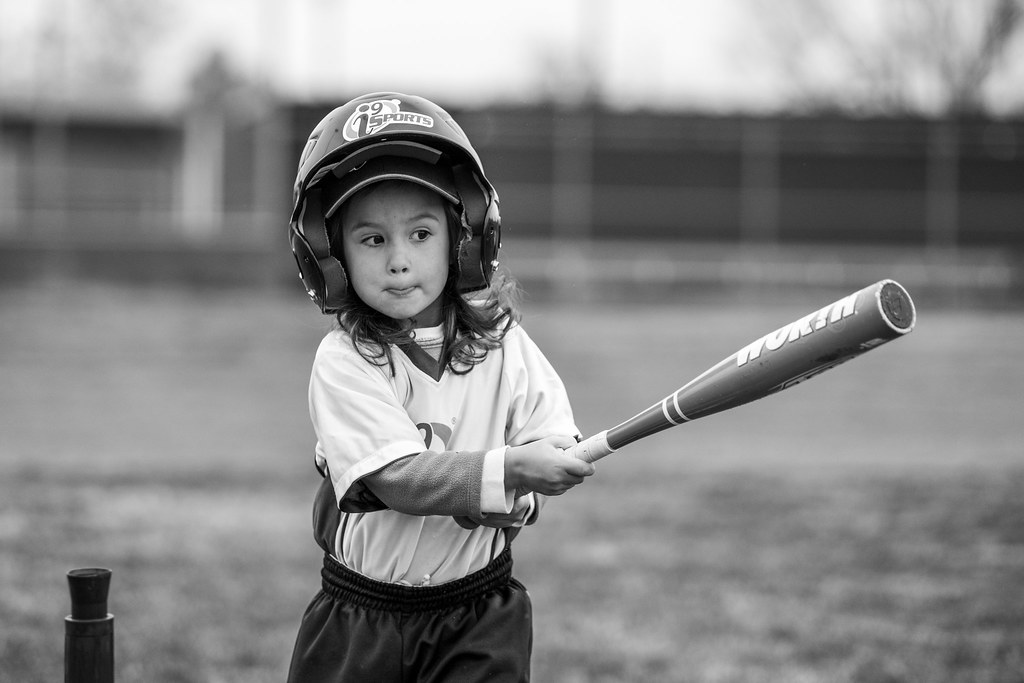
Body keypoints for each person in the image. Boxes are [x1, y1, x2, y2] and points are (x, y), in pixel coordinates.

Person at [285, 92, 596, 682]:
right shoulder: (345, 361)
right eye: (373, 240)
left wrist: (522, 497)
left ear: (465, 237)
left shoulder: (504, 345)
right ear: (329, 256)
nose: (399, 261)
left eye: (421, 234)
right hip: (363, 616)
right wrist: (505, 475)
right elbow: (396, 477)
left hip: (479, 613)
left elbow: (547, 439)